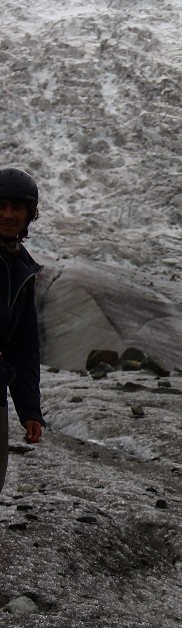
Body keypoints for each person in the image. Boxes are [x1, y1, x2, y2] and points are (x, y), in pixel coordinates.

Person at [0, 167, 44, 493]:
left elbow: (24, 344)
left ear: (30, 215)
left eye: (17, 208)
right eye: (0, 205)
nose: (7, 215)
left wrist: (29, 409)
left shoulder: (22, 268)